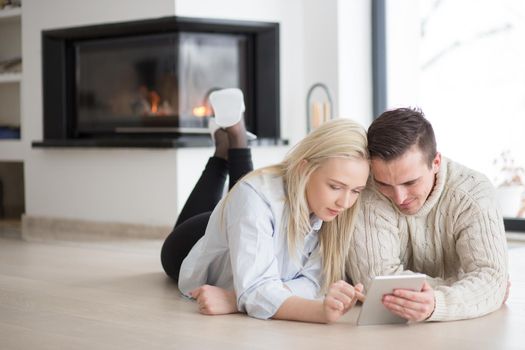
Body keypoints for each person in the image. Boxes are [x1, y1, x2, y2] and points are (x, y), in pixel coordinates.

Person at [161, 90, 370, 323]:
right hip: (191, 242)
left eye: (356, 191)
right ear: (303, 169)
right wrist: (319, 312)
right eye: (335, 186)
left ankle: (224, 146)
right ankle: (233, 143)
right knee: (247, 194)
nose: (345, 202)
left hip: (254, 220)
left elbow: (313, 283)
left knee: (247, 196)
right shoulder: (255, 197)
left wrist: (234, 299)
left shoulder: (334, 209)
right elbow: (256, 289)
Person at [346, 107, 509, 322]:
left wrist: (437, 304)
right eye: (385, 184)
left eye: (410, 182)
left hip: (459, 330)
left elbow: (491, 278)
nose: (399, 197)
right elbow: (376, 283)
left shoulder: (474, 194)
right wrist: (469, 288)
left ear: (436, 163)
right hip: (381, 327)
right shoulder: (368, 190)